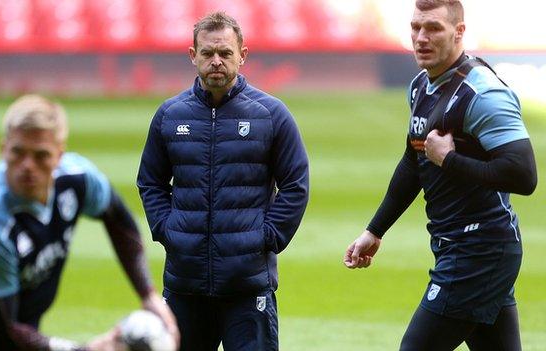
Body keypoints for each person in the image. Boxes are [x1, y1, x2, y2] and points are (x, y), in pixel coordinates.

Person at [344, 1, 537, 350]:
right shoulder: (421, 86)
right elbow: (412, 161)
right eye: (416, 27)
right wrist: (375, 230)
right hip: (461, 246)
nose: (421, 38)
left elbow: (524, 176)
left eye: (433, 28)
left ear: (459, 32)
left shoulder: (483, 93)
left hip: (479, 251)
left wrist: (449, 160)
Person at [0, 94, 178, 351]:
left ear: (59, 155)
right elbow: (2, 336)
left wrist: (148, 295)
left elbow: (117, 220)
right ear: (3, 149)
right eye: (18, 152)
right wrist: (85, 349)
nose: (28, 166)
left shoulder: (78, 178)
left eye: (41, 155)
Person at [137, 11, 309, 351]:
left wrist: (267, 236)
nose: (217, 61)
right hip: (185, 284)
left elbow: (295, 184)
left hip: (247, 285)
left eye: (226, 53)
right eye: (208, 53)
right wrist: (167, 229)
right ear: (193, 56)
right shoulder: (170, 115)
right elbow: (150, 182)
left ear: (242, 56)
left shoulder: (271, 114)